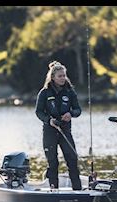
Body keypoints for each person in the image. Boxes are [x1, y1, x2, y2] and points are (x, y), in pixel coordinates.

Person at [35, 61, 82, 190]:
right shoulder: (44, 93)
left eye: (64, 76)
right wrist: (48, 120)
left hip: (65, 131)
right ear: (53, 77)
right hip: (50, 131)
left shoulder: (70, 92)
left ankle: (77, 189)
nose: (62, 78)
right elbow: (38, 112)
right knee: (53, 163)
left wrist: (70, 114)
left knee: (72, 160)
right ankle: (53, 190)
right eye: (60, 76)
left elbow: (78, 110)